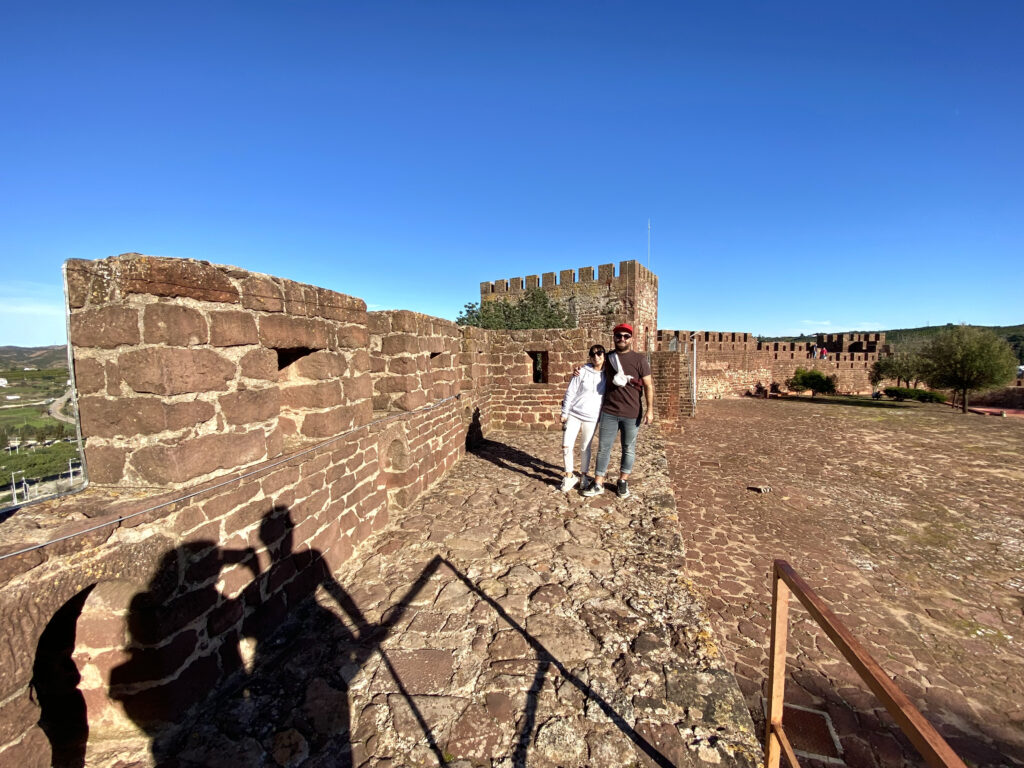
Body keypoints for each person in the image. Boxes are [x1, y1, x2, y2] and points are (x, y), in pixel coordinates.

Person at [583, 323, 654, 499]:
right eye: (618, 336)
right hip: (610, 411)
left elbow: (648, 385)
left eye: (626, 336)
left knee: (628, 448)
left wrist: (650, 410)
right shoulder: (607, 358)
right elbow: (593, 365)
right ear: (613, 338)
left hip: (632, 412)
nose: (622, 339)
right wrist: (579, 369)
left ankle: (622, 481)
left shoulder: (640, 360)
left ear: (631, 338)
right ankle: (598, 482)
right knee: (603, 448)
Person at [558, 344, 607, 492]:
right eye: (593, 354)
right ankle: (569, 476)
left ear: (604, 355)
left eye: (599, 353)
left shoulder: (608, 374)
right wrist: (564, 412)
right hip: (575, 413)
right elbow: (570, 392)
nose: (596, 356)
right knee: (566, 445)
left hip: (592, 417)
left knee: (585, 447)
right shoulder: (582, 371)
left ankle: (584, 476)